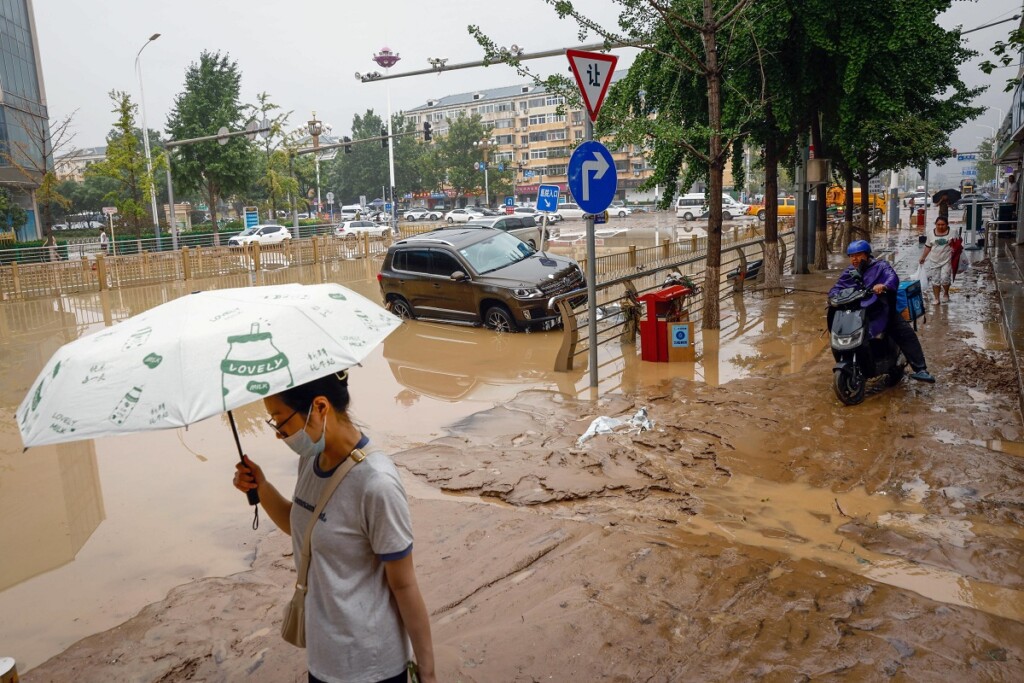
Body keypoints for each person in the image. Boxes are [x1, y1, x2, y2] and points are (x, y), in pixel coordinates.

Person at [233, 371, 436, 683]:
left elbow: (404, 584)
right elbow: (302, 528)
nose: (278, 433)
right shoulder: (312, 459)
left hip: (371, 666)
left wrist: (428, 670)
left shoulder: (376, 483)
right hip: (323, 659)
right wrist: (261, 485)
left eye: (280, 420)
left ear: (320, 407)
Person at [829, 240, 935, 383]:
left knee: (905, 332)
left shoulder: (881, 266)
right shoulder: (849, 272)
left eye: (858, 255)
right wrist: (833, 296)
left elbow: (893, 278)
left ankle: (920, 369)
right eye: (851, 256)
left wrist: (884, 286)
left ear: (866, 255)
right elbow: (837, 287)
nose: (854, 259)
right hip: (859, 313)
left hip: (880, 310)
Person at [920, 216, 953, 303]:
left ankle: (946, 293)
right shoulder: (931, 233)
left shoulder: (953, 233)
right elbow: (928, 246)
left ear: (947, 224)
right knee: (935, 280)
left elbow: (958, 245)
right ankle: (936, 298)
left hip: (947, 260)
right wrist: (923, 257)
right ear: (935, 224)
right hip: (934, 260)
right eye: (938, 224)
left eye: (943, 225)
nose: (940, 226)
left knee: (945, 278)